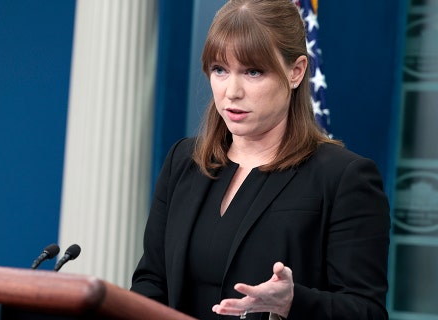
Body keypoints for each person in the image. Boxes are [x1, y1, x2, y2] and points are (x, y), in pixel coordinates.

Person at [130, 0, 391, 319]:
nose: (232, 91)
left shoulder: (344, 177)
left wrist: (292, 302)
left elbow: (366, 311)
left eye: (253, 71)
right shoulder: (183, 161)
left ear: (296, 72)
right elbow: (151, 281)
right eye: (220, 70)